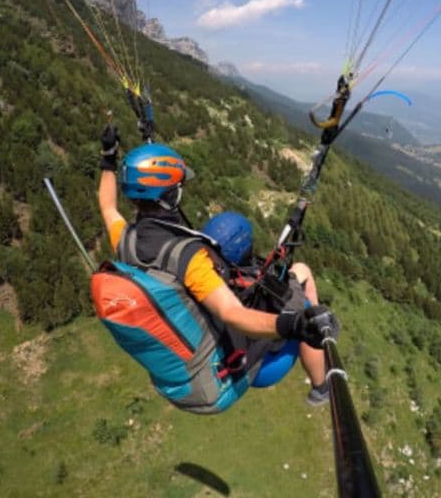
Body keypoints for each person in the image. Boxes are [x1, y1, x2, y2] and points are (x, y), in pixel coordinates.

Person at [97, 125, 337, 407]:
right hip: (218, 382)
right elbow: (233, 313)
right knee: (303, 285)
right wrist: (293, 323)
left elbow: (107, 206)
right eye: (178, 187)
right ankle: (321, 386)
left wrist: (108, 158)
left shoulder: (125, 240)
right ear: (171, 196)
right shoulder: (188, 258)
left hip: (178, 379)